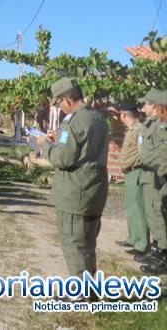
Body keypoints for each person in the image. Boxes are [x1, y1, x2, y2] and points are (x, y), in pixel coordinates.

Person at [37, 78, 108, 279]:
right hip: (95, 188)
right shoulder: (98, 118)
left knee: (73, 242)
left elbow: (63, 158)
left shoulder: (73, 121)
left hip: (76, 191)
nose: (59, 108)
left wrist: (45, 144)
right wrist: (58, 140)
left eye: (58, 103)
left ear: (67, 100)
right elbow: (85, 149)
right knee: (88, 243)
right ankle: (89, 287)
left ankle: (79, 292)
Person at [133, 89, 167, 270]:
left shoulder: (159, 125)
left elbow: (160, 153)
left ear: (155, 105)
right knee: (154, 214)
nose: (143, 107)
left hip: (157, 175)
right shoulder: (151, 124)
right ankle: (158, 250)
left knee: (158, 215)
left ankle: (162, 255)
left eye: (145, 104)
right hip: (151, 174)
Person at [114, 102, 148, 257]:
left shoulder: (139, 130)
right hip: (129, 173)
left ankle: (142, 243)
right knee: (131, 208)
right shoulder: (133, 129)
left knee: (138, 209)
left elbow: (142, 153)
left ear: (124, 114)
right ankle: (133, 237)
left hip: (136, 172)